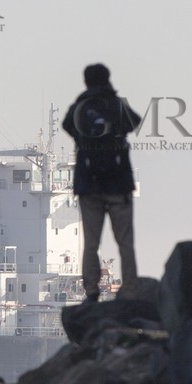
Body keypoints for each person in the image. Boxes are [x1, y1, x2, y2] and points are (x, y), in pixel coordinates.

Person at [62, 63, 142, 302]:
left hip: (89, 185)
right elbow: (134, 122)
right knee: (125, 242)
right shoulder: (116, 105)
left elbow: (67, 125)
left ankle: (91, 290)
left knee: (91, 243)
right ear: (108, 79)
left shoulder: (80, 107)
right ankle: (130, 289)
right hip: (118, 184)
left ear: (86, 81)